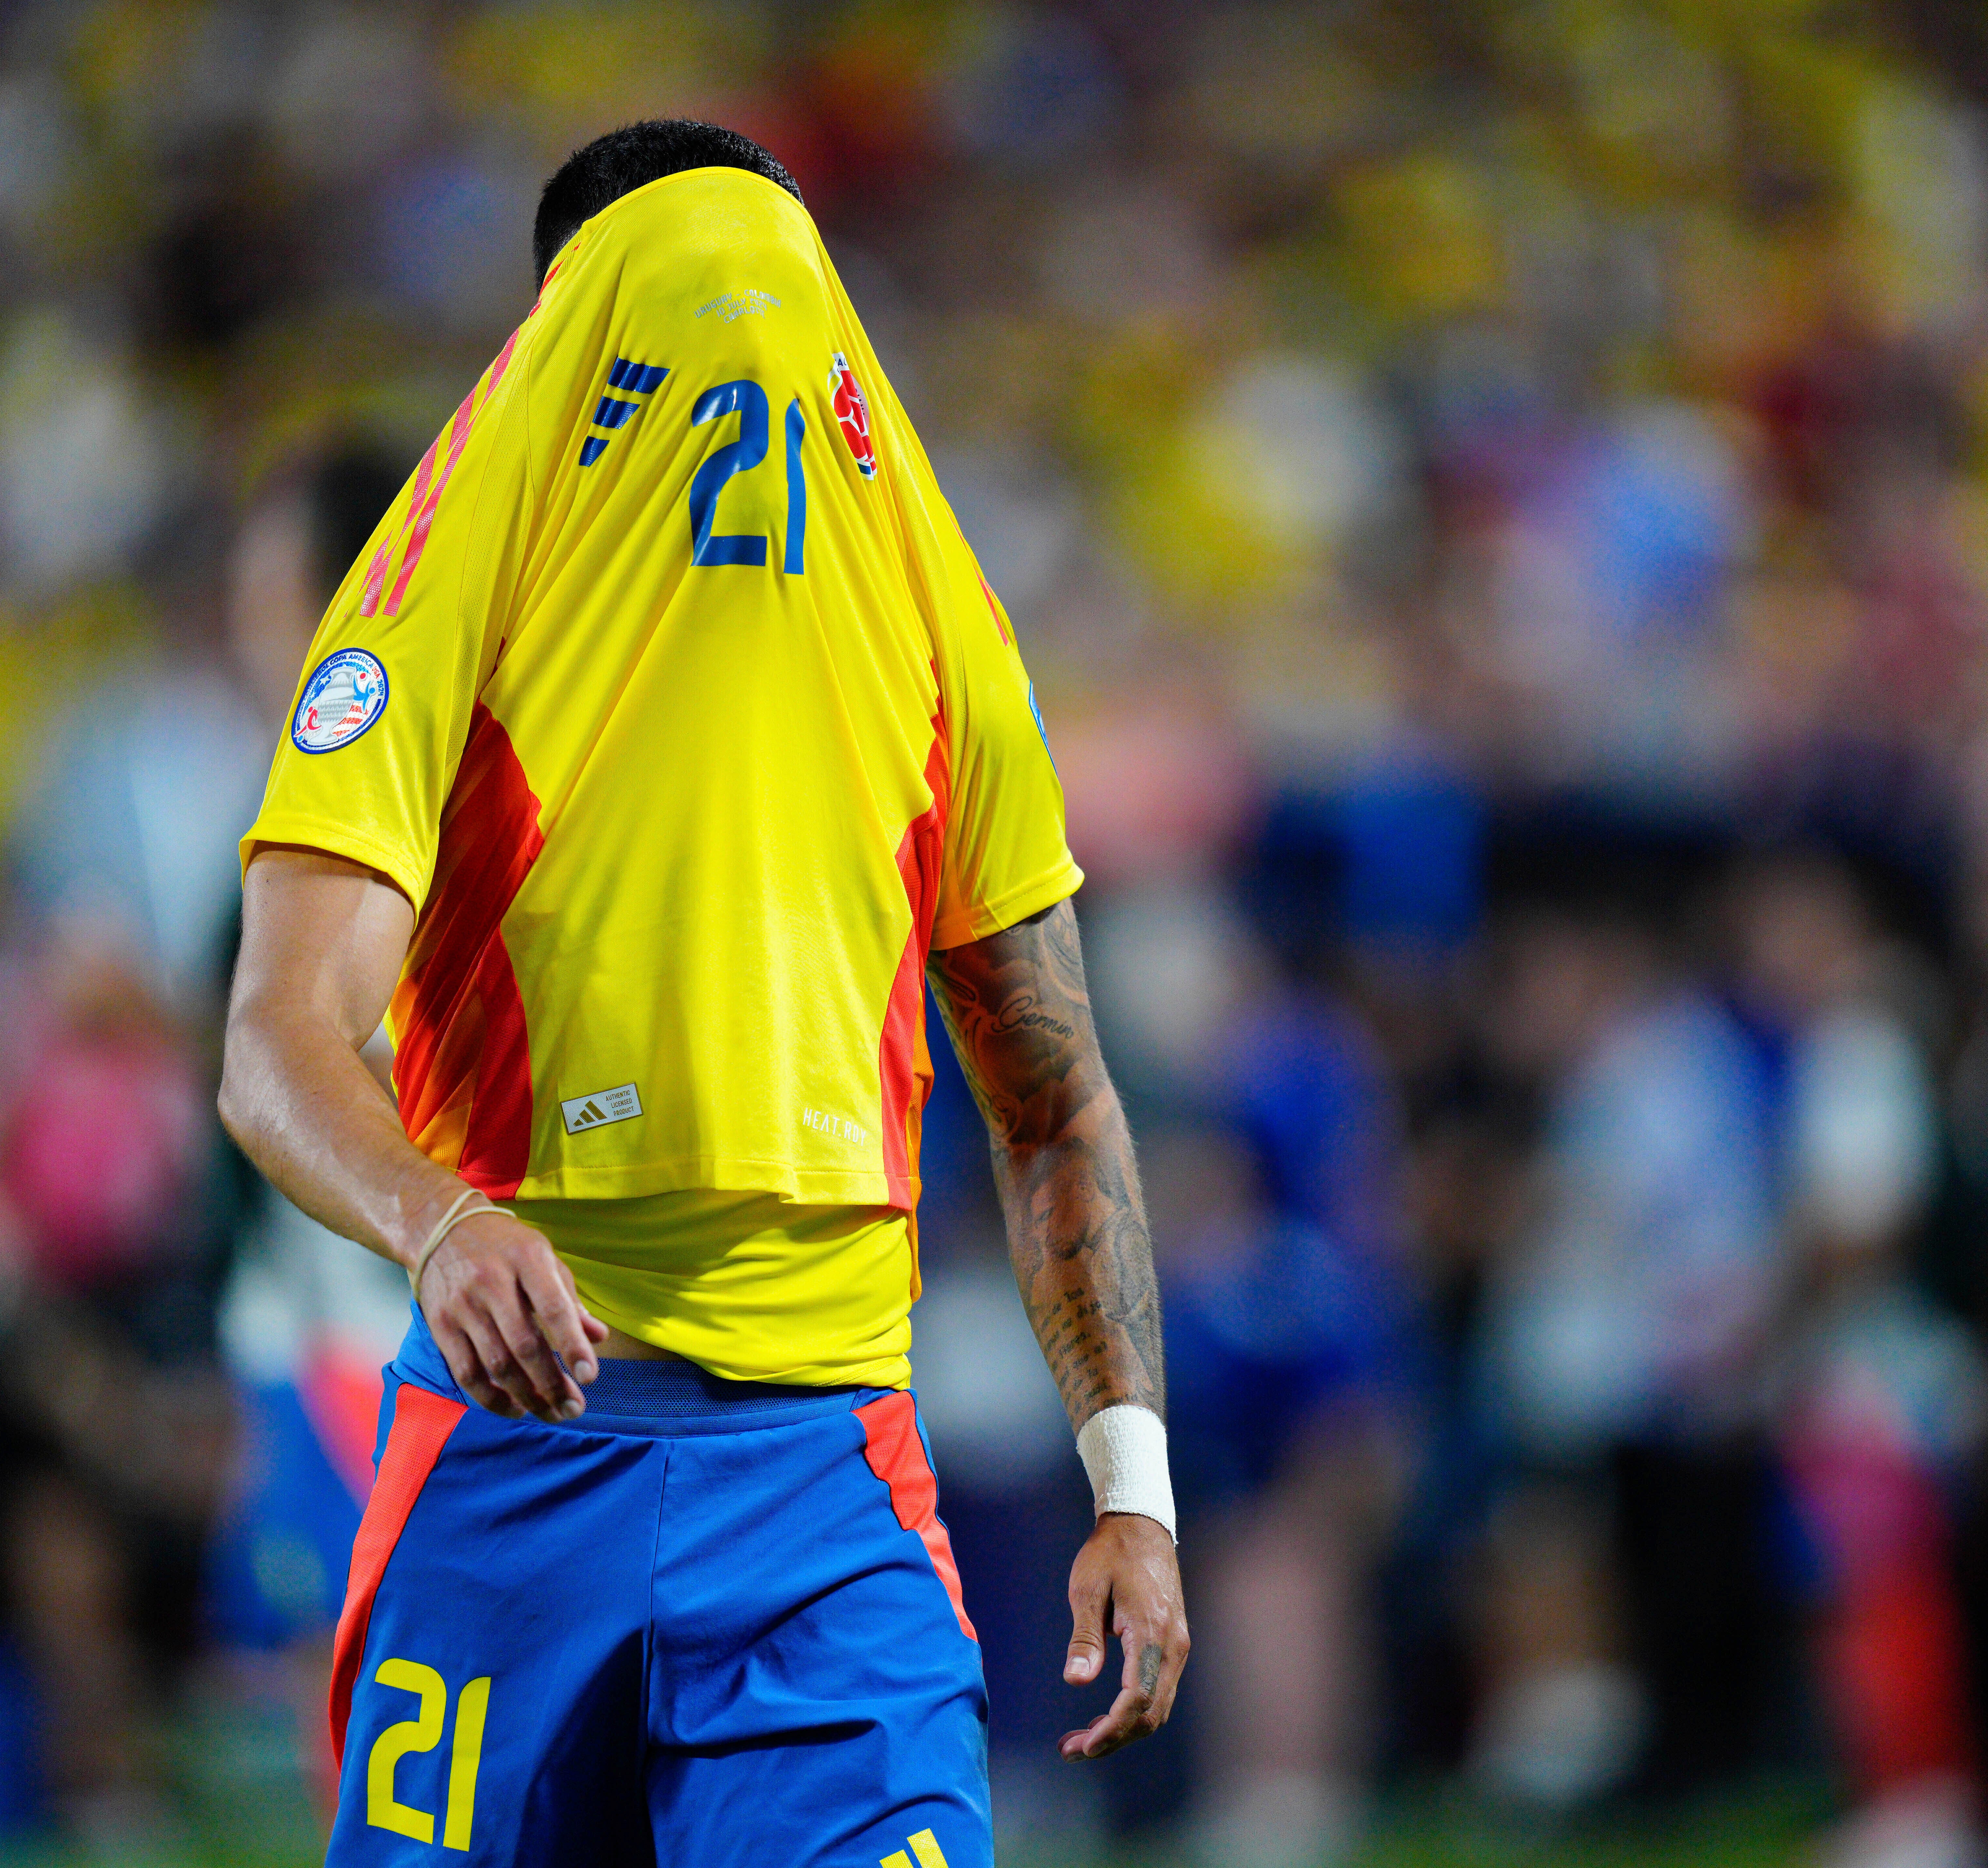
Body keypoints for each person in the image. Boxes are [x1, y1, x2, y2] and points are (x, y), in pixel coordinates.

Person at [216, 120, 1185, 1867]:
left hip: (823, 1488)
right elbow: (273, 1045)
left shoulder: (917, 630)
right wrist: (441, 1226)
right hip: (518, 1459)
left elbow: (1058, 1104)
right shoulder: (481, 583)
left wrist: (1139, 1491)